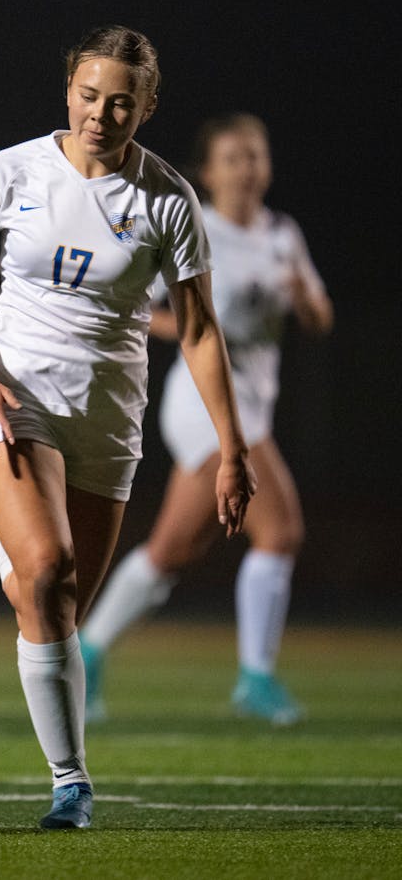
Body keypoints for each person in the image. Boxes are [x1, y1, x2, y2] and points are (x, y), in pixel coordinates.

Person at [0, 25, 255, 830]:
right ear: (68, 88)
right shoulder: (12, 171)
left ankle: (20, 545)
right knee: (47, 566)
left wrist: (232, 448)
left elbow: (198, 330)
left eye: (120, 103)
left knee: (51, 603)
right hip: (14, 397)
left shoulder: (168, 198)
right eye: (88, 95)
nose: (100, 115)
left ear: (147, 106)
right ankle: (71, 781)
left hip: (107, 419)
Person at [79, 113, 332, 726]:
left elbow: (320, 319)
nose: (247, 169)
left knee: (172, 550)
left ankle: (85, 653)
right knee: (281, 531)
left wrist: (304, 299)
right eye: (233, 158)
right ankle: (256, 678)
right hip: (204, 404)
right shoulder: (197, 226)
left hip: (253, 407)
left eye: (255, 156)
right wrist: (199, 329)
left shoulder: (282, 234)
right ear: (208, 172)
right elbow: (141, 307)